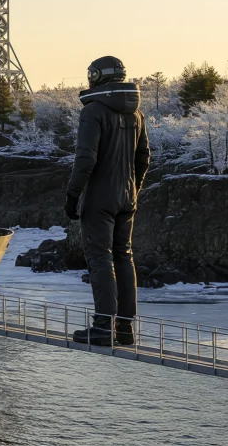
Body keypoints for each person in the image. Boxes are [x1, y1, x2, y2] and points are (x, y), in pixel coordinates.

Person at [64, 56, 149, 346]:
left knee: (100, 258)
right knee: (124, 256)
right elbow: (143, 158)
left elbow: (85, 159)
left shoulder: (93, 111)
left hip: (100, 197)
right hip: (127, 197)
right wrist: (134, 189)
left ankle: (102, 328)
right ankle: (125, 329)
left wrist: (73, 195)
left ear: (97, 77)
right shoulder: (136, 113)